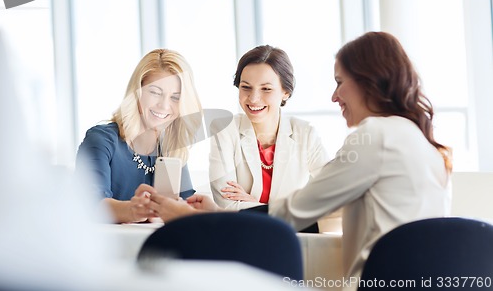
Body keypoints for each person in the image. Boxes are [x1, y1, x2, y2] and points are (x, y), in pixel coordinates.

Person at [147, 32, 453, 286]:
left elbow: (298, 208)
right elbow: (314, 207)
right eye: (246, 87)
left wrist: (203, 218)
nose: (334, 97)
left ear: (367, 81)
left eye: (339, 81)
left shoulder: (374, 136)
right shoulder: (419, 141)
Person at [76, 49, 203, 224]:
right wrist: (134, 211)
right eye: (155, 92)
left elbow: (185, 207)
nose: (164, 105)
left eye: (175, 97)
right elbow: (91, 205)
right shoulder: (101, 140)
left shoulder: (172, 147)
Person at [209, 45, 330, 210]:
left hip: (291, 235)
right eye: (246, 87)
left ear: (285, 92)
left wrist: (254, 204)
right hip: (241, 233)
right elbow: (226, 204)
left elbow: (335, 194)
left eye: (266, 89)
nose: (253, 98)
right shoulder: (225, 129)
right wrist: (287, 209)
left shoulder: (305, 133)